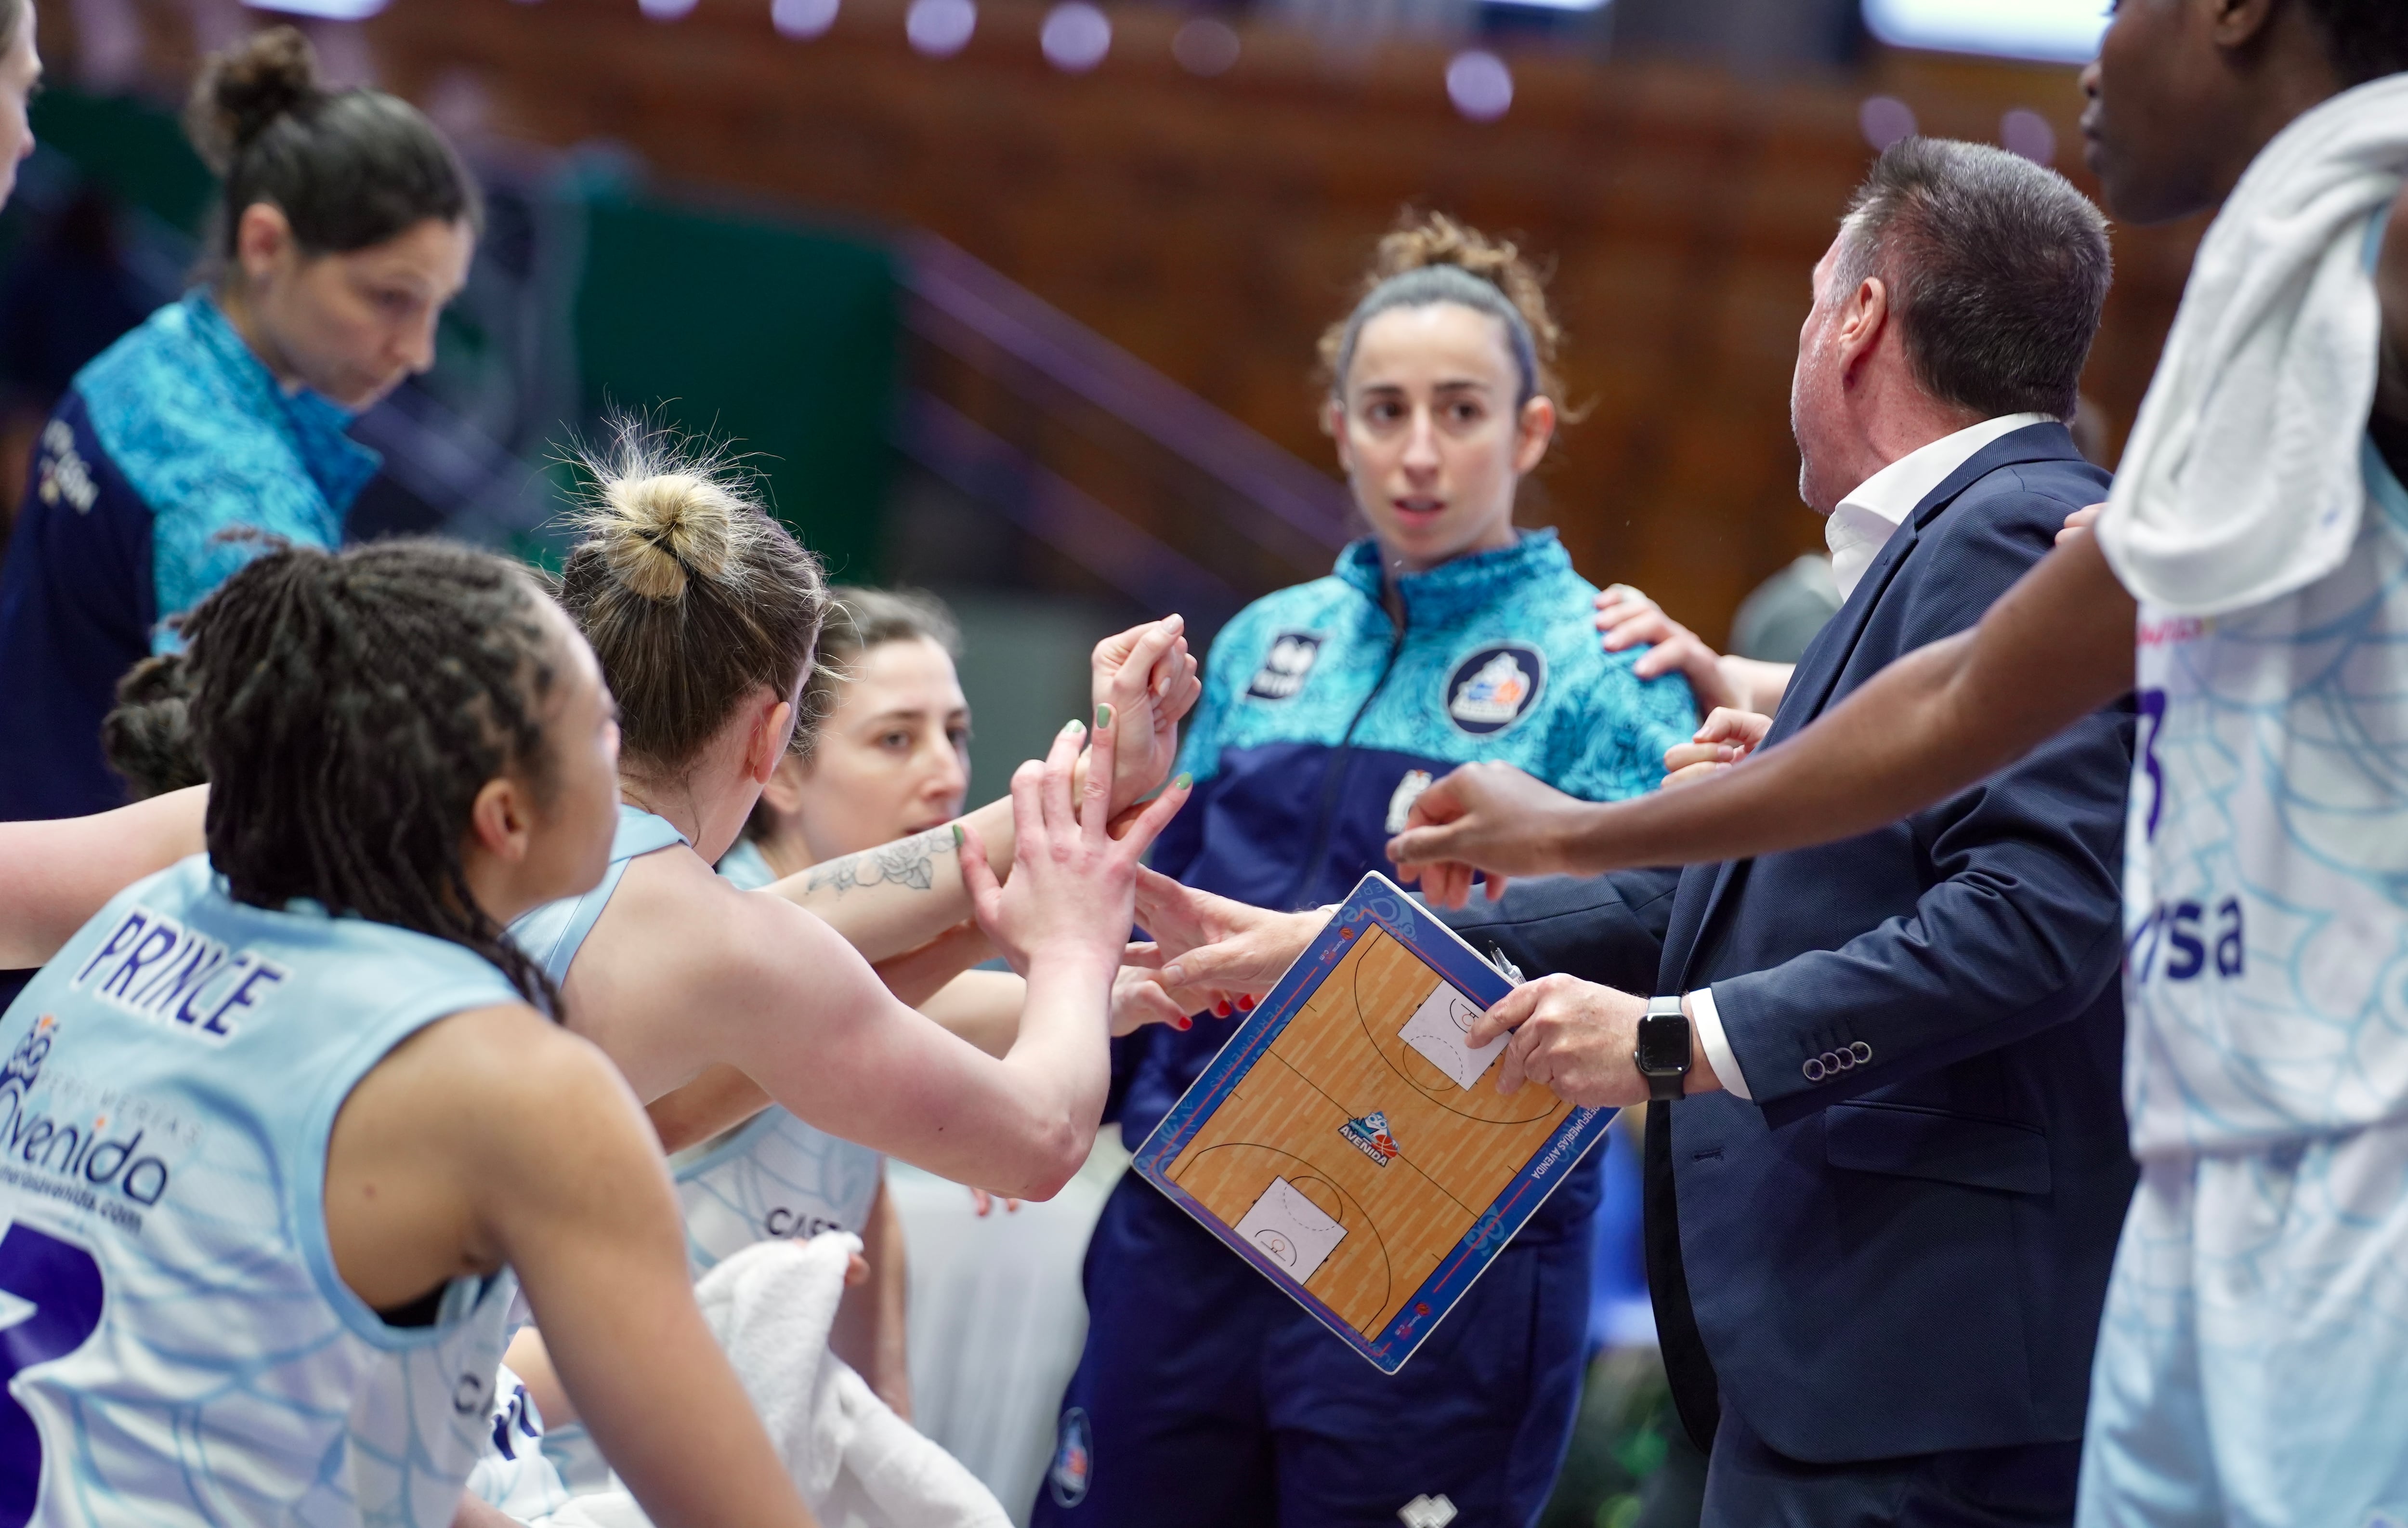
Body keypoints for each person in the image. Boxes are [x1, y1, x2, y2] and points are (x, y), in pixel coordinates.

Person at [1364, 6, 2408, 1525]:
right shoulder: (2268, 290)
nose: (2092, 58)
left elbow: (2009, 832)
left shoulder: (2377, 241)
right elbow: (1972, 695)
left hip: (2339, 1150)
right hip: (2229, 1155)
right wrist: (1637, 803)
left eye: (2121, 2)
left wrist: (1594, 863)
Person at [1137, 139, 2137, 1525]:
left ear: (1855, 320)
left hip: (1919, 1371)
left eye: (1807, 301)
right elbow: (1713, 900)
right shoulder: (1945, 548)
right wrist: (1341, 944)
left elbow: (2039, 924)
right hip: (1846, 1361)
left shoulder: (2008, 535)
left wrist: (1673, 1044)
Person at [1037, 213, 1697, 1528]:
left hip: (1446, 1243)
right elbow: (1144, 893)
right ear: (1336, 425)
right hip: (1193, 1215)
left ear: (1533, 431)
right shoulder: (1265, 641)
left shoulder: (1613, 665)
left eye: (1461, 411)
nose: (1418, 449)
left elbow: (1667, 921)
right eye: (1385, 409)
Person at [0, 537, 834, 1527]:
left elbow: (286, 1438)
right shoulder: (509, 1078)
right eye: (605, 733)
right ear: (505, 816)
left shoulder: (144, 916)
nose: (631, 764)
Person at [0, 25, 478, 824]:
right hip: (84, 933)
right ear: (266, 244)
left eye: (438, 308)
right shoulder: (237, 507)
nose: (418, 351)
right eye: (391, 298)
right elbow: (280, 820)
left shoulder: (151, 357)